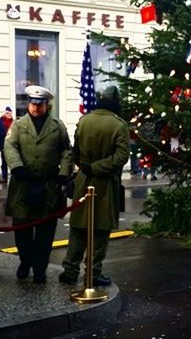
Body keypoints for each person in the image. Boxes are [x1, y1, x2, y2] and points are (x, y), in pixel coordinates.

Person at [59, 85, 129, 287]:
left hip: (84, 179)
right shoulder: (119, 125)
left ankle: (70, 270)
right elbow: (121, 156)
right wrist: (99, 167)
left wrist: (86, 167)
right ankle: (93, 272)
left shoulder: (84, 120)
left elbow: (76, 150)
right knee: (100, 230)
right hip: (105, 184)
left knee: (78, 228)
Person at [4, 85, 72, 284]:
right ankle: (25, 262)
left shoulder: (57, 126)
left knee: (45, 232)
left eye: (40, 105)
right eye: (33, 104)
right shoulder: (18, 125)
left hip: (48, 186)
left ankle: (40, 269)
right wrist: (16, 167)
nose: (36, 108)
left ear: (46, 105)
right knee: (22, 230)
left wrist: (63, 173)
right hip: (23, 185)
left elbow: (66, 151)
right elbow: (9, 146)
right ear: (28, 105)